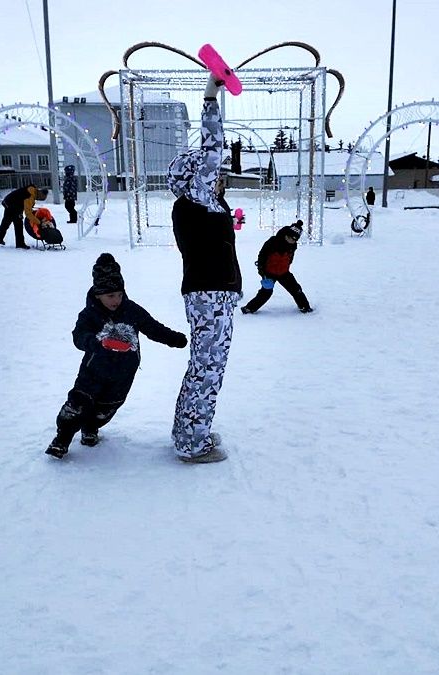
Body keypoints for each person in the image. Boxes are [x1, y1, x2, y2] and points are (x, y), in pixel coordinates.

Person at [166, 73, 242, 464]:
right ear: (198, 175)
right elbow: (213, 149)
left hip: (212, 294)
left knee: (204, 366)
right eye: (215, 175)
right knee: (207, 369)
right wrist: (212, 96)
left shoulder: (202, 206)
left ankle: (188, 433)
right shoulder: (195, 198)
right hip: (209, 295)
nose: (220, 179)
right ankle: (193, 444)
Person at [45, 253, 188, 459]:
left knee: (106, 408)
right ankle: (62, 438)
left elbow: (152, 327)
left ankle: (91, 428)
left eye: (119, 294)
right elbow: (78, 335)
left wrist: (174, 339)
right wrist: (91, 342)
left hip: (123, 373)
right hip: (93, 370)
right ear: (98, 294)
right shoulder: (89, 314)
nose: (116, 300)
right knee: (78, 404)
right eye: (110, 296)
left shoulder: (131, 310)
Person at [240, 220, 313, 315]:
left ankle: (305, 307)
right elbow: (262, 256)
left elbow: (290, 258)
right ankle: (249, 308)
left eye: (294, 239)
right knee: (266, 293)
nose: (291, 240)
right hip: (269, 273)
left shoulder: (293, 246)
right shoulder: (273, 242)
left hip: (284, 273)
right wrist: (262, 271)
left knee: (296, 289)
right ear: (286, 234)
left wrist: (287, 266)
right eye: (290, 237)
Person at [0, 184, 48, 249]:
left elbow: (27, 207)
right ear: (40, 195)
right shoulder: (29, 196)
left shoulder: (33, 190)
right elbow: (28, 213)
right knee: (18, 224)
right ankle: (20, 243)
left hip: (8, 201)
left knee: (7, 221)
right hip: (13, 205)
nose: (38, 199)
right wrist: (39, 222)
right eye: (40, 199)